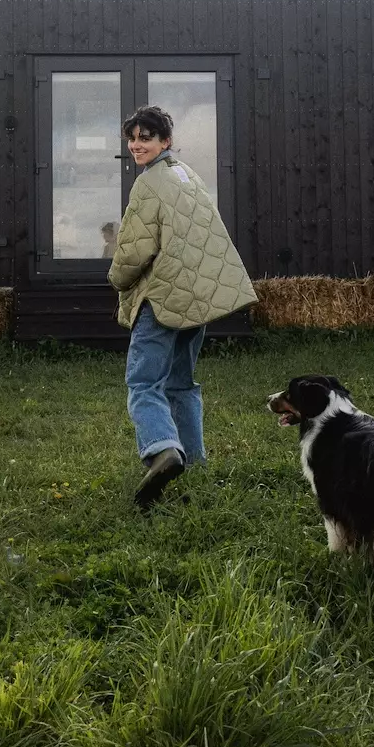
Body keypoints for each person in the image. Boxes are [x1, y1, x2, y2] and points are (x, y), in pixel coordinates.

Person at [108, 105, 257, 509]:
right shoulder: (188, 176)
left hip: (161, 299)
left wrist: (116, 278)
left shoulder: (149, 184)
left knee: (144, 383)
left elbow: (134, 251)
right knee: (181, 383)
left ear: (165, 141)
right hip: (196, 297)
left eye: (146, 137)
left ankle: (162, 449)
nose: (137, 145)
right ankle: (194, 463)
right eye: (132, 138)